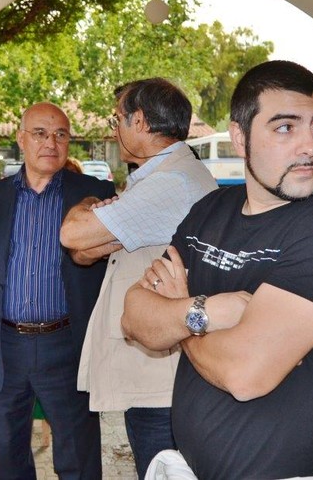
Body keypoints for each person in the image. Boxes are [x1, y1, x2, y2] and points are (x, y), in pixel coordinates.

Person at [123, 61, 313, 480]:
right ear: (240, 137)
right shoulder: (210, 211)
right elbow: (134, 317)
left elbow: (244, 374)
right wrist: (210, 312)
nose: (309, 146)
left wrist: (183, 315)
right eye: (285, 128)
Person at [0, 102, 115, 480]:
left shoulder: (94, 194)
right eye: (39, 133)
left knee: (78, 455)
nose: (50, 143)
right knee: (6, 455)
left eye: (60, 135)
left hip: (67, 343)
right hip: (6, 346)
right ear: (21, 139)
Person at [59, 78, 217, 478]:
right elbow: (84, 252)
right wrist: (99, 230)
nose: (115, 130)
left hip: (163, 380)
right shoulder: (161, 176)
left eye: (117, 120)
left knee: (160, 467)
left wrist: (88, 203)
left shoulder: (170, 183)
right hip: (158, 369)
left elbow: (72, 234)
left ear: (141, 121)